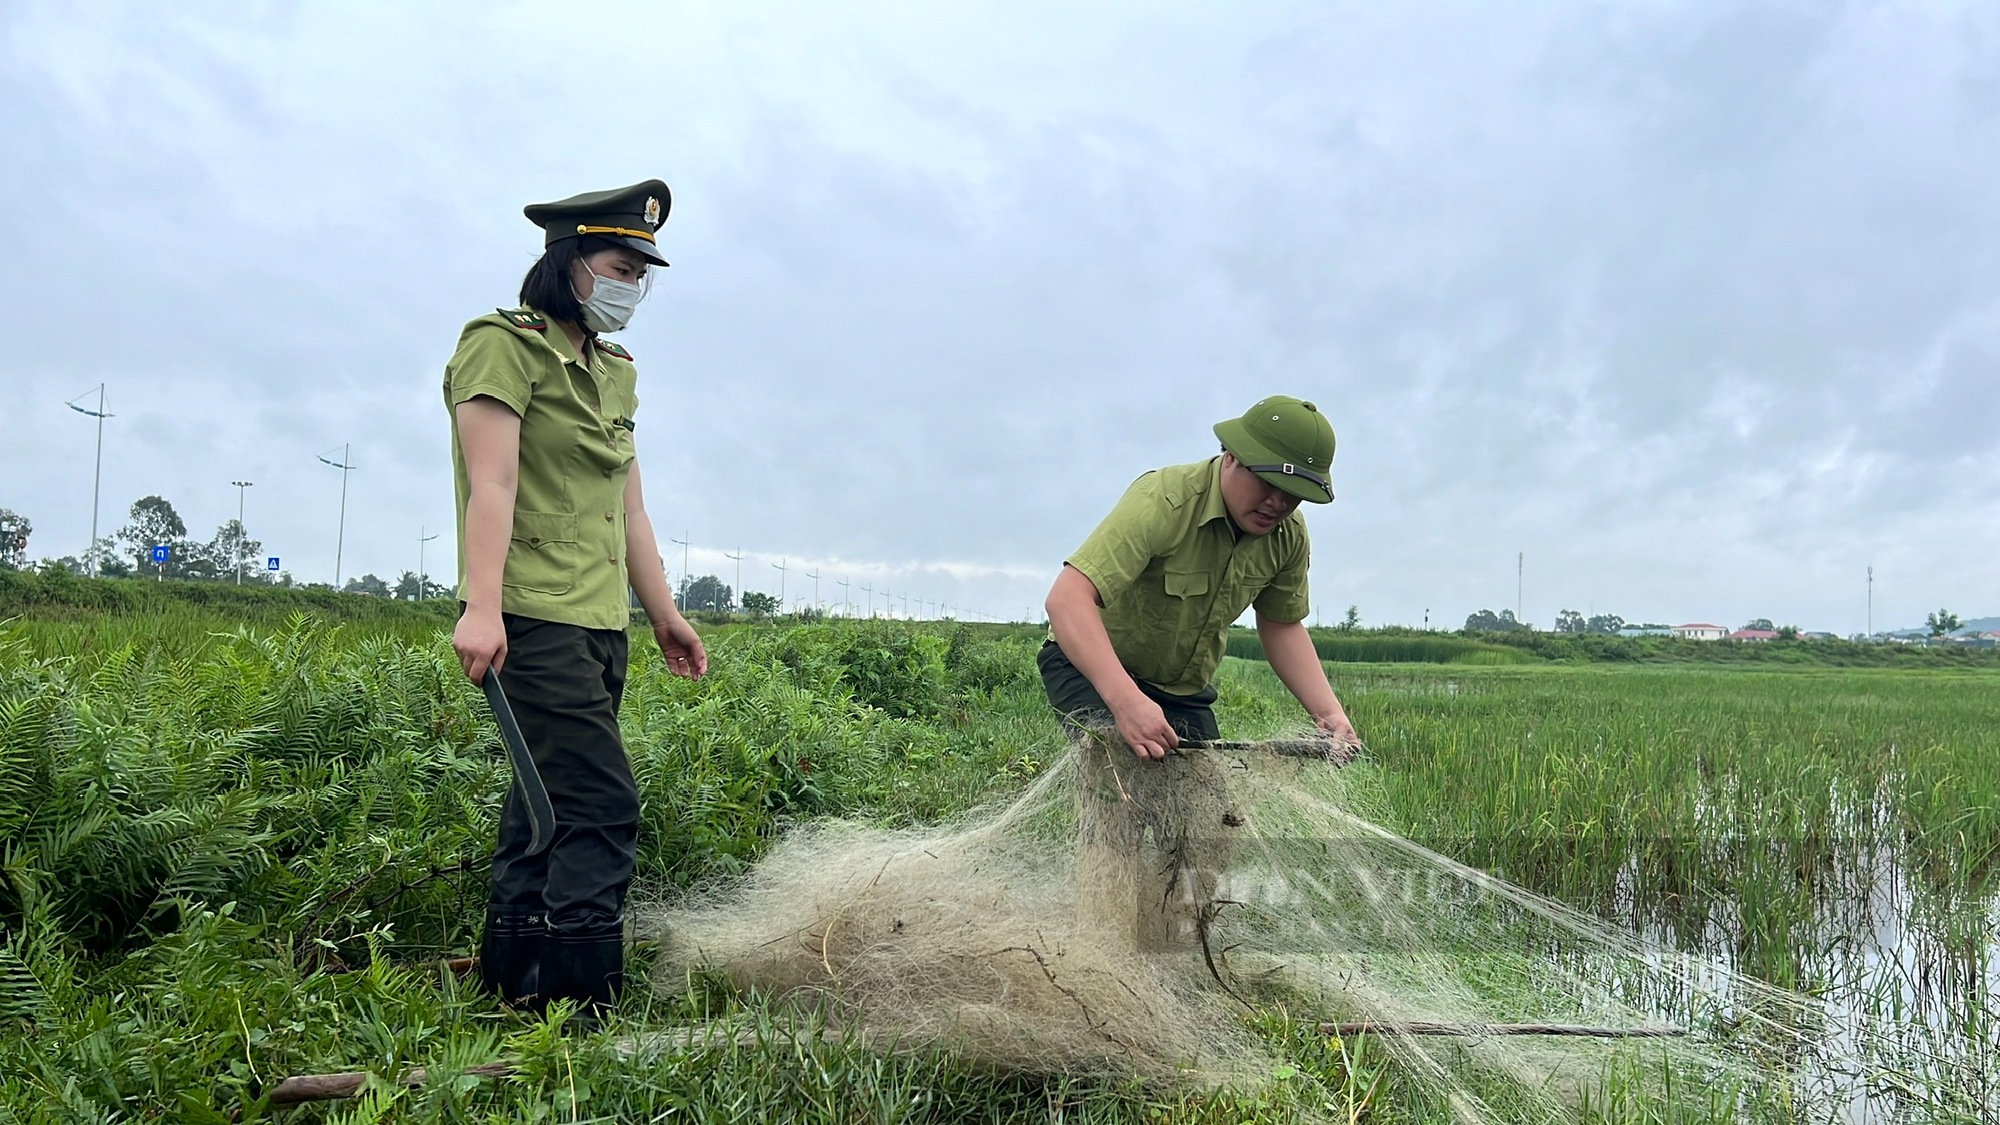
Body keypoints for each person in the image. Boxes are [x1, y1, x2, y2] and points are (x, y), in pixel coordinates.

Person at [445, 180, 708, 1016]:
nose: (635, 282)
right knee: (601, 802)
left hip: (600, 621)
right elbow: (493, 482)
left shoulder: (614, 371)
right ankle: (583, 1005)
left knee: (543, 804)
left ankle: (512, 980)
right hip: (532, 614)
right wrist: (480, 608)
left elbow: (627, 502)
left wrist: (662, 609)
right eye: (621, 264)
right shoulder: (503, 346)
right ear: (570, 263)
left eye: (644, 270)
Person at [1041, 395, 1360, 759]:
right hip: (1089, 665)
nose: (1278, 503)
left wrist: (1329, 713)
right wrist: (1127, 701)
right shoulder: (1163, 499)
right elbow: (1066, 599)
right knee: (1124, 777)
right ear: (1232, 456)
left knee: (1214, 806)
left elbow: (1281, 625)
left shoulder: (1288, 535)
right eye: (1267, 483)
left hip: (1181, 691)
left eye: (1293, 495)